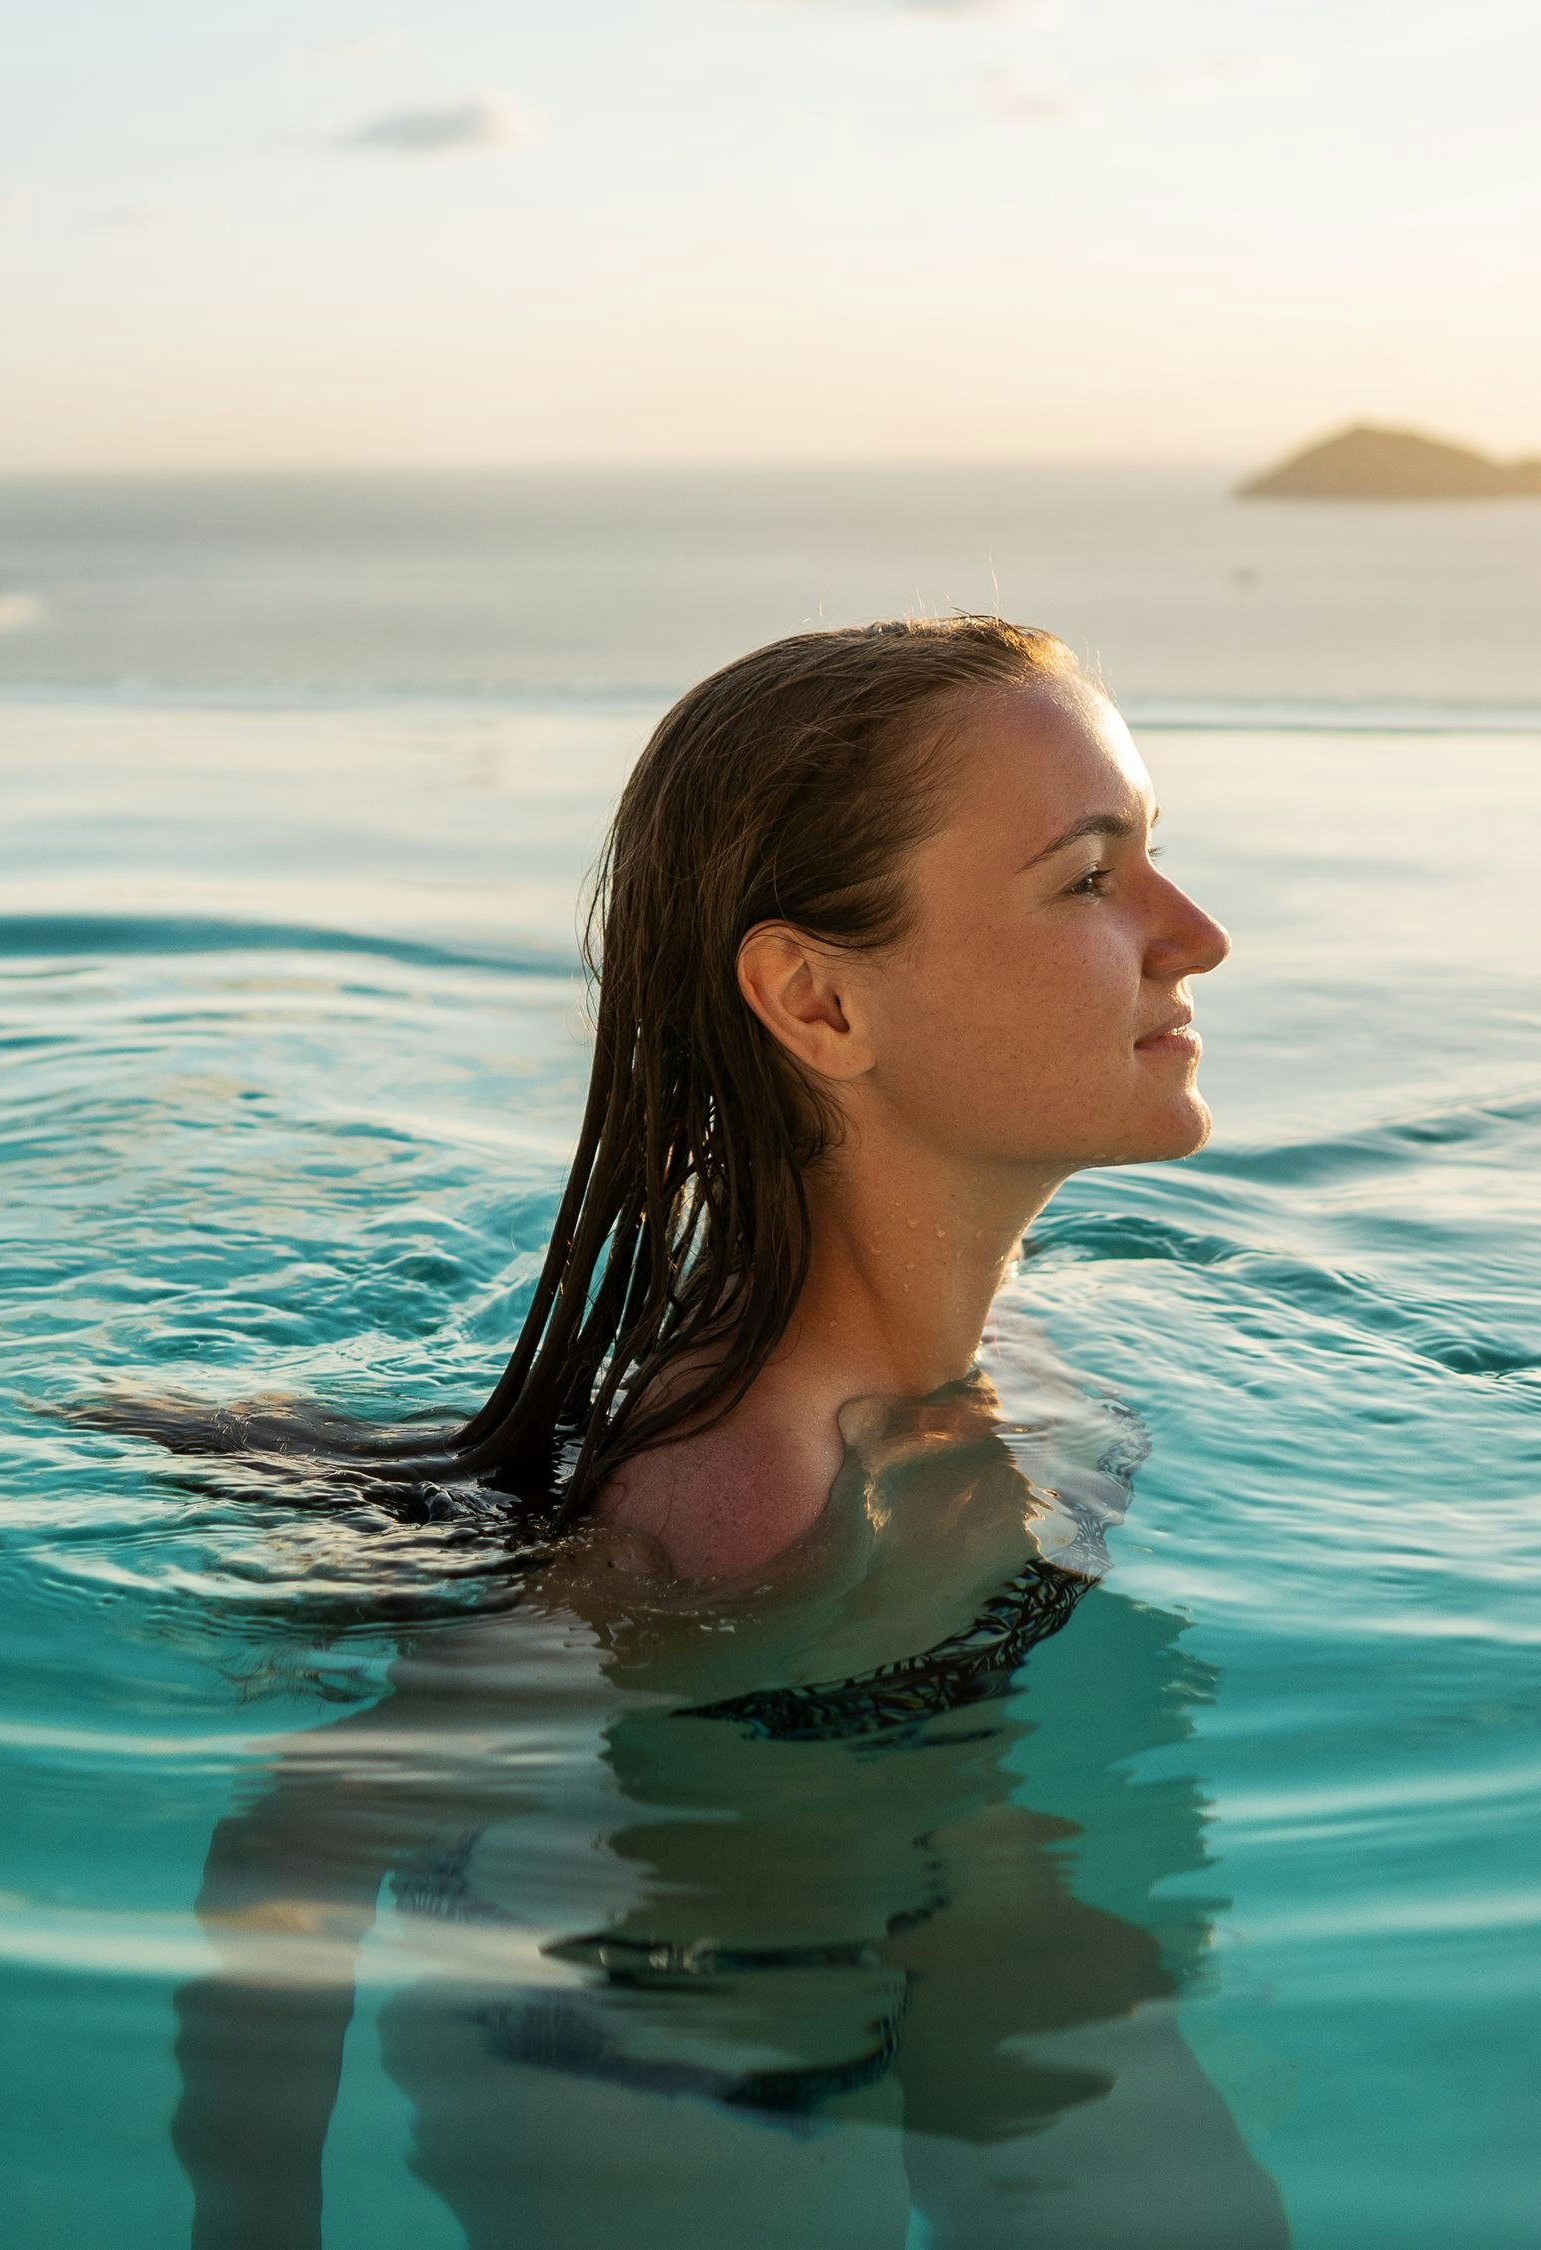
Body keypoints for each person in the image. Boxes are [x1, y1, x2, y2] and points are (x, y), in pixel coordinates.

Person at [148, 617, 1284, 2247]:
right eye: (1090, 878)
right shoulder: (742, 1496)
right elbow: (305, 1836)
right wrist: (250, 2224)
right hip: (666, 2037)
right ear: (818, 1001)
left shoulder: (1017, 1366)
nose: (1198, 936)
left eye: (1156, 857)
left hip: (934, 1895)